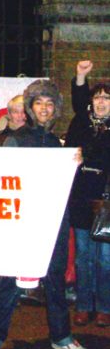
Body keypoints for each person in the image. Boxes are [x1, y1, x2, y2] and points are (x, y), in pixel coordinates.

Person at [0, 79, 86, 349]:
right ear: (30, 108)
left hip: (54, 220)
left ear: (55, 110)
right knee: (10, 279)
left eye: (49, 103)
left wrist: (75, 165)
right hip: (23, 219)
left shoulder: (58, 143)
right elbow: (0, 182)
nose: (44, 108)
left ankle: (61, 336)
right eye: (39, 103)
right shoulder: (15, 139)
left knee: (55, 279)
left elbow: (67, 185)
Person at [65, 60, 110, 328]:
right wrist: (80, 76)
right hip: (82, 197)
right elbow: (78, 99)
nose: (102, 102)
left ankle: (104, 307)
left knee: (105, 259)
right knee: (83, 257)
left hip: (107, 200)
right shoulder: (82, 122)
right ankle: (83, 305)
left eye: (107, 98)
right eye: (98, 97)